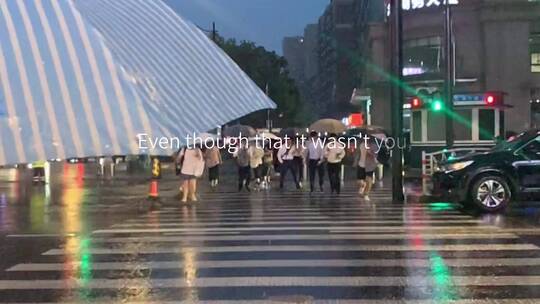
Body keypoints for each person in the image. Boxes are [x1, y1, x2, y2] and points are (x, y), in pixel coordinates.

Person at [355, 137, 379, 201]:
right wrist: (355, 162)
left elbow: (376, 155)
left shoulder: (374, 145)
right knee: (360, 181)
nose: (366, 139)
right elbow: (357, 153)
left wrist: (370, 152)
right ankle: (363, 186)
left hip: (369, 165)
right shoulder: (361, 144)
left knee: (369, 180)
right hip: (361, 164)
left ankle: (366, 194)